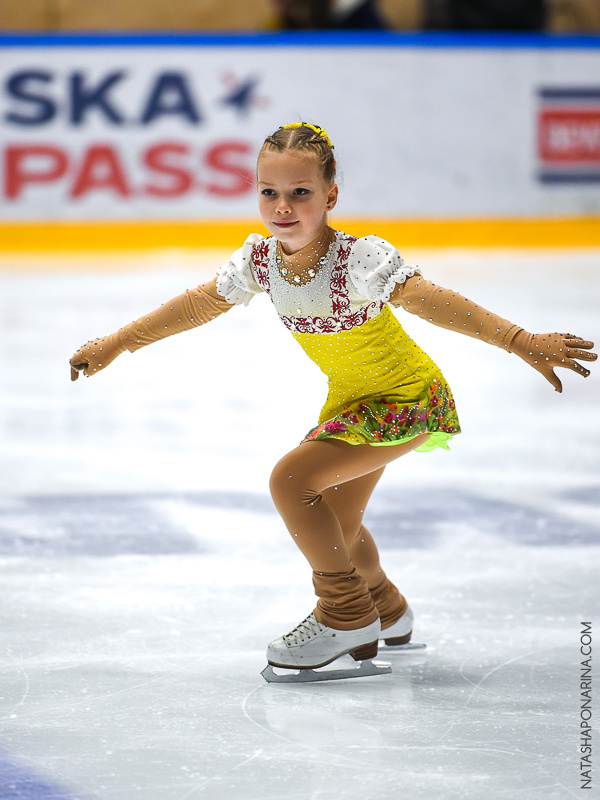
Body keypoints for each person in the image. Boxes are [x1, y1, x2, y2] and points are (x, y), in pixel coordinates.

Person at [70, 123, 596, 680]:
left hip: (406, 399)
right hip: (353, 403)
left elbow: (431, 300)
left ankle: (345, 614)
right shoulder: (260, 262)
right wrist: (119, 342)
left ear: (330, 196)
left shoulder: (358, 259)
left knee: (291, 481)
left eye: (300, 192)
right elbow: (198, 303)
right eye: (269, 192)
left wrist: (519, 340)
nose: (283, 206)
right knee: (339, 528)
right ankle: (385, 609)